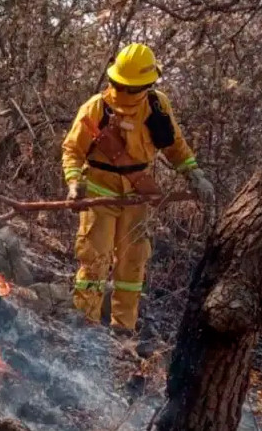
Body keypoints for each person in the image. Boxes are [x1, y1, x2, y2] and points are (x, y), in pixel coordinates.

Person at [61, 43, 214, 333]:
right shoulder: (96, 108)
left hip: (137, 196)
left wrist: (194, 174)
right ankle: (84, 328)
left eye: (131, 88)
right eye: (119, 85)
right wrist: (74, 182)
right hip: (99, 195)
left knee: (132, 265)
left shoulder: (157, 107)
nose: (124, 92)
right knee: (95, 260)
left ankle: (122, 331)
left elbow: (175, 146)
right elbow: (72, 150)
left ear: (148, 85)